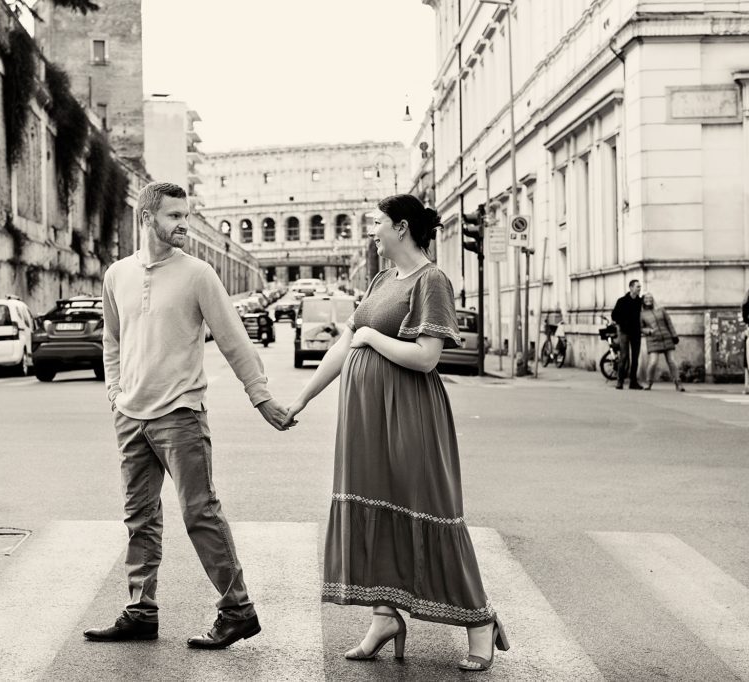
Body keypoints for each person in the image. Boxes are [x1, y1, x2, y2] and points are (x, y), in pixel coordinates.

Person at [283, 194, 507, 672]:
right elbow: (345, 346)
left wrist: (371, 338)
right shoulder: (384, 279)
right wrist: (300, 399)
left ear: (401, 228)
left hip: (409, 414)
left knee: (430, 508)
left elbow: (426, 357)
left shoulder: (432, 280)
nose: (372, 232)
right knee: (373, 504)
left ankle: (479, 620)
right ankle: (383, 617)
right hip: (365, 418)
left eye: (378, 224)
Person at [84, 182, 292, 650]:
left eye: (185, 215)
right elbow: (112, 341)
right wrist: (114, 392)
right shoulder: (116, 275)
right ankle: (141, 612)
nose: (184, 225)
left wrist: (261, 397)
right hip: (130, 416)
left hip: (180, 413)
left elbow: (234, 339)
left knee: (200, 513)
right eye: (175, 216)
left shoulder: (198, 273)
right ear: (146, 218)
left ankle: (237, 610)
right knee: (139, 517)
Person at [640, 293, 684, 392]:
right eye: (646, 298)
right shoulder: (641, 314)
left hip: (667, 338)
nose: (649, 300)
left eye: (650, 298)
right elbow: (640, 328)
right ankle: (649, 383)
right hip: (653, 340)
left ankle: (678, 383)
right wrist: (649, 331)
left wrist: (674, 335)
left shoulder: (661, 309)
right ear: (643, 301)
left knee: (672, 361)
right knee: (653, 362)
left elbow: (669, 323)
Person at [611, 279, 644, 390]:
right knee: (624, 357)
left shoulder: (640, 302)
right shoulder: (622, 301)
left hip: (636, 333)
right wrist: (623, 322)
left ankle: (633, 382)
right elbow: (614, 315)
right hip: (625, 332)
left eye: (640, 287)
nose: (639, 289)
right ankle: (620, 381)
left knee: (635, 358)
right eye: (637, 287)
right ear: (631, 288)